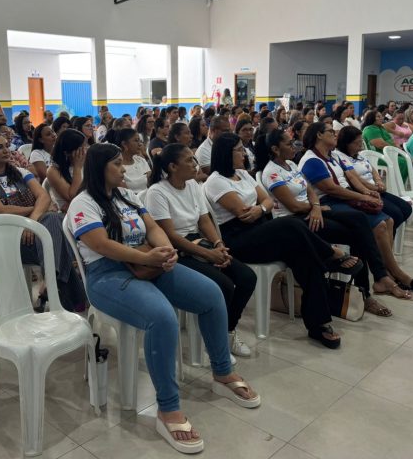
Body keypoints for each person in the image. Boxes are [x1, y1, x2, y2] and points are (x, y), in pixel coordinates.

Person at [68, 143, 260, 453]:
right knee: (162, 317)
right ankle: (167, 408)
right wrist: (148, 258)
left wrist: (166, 251)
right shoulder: (83, 203)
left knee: (212, 294)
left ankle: (222, 373)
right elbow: (101, 245)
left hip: (147, 261)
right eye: (116, 164)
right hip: (108, 276)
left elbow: (154, 227)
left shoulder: (127, 196)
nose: (123, 169)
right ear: (99, 168)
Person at [205, 133, 365, 348]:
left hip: (259, 229)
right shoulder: (216, 181)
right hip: (238, 239)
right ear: (226, 154)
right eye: (239, 150)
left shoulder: (242, 175)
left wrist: (260, 208)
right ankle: (330, 253)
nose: (244, 154)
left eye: (243, 149)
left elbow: (267, 201)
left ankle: (319, 324)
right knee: (291, 223)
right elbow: (242, 212)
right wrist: (261, 208)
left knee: (306, 257)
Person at [254, 130, 404, 316]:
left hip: (313, 211)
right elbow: (292, 206)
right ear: (276, 149)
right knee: (356, 232)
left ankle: (374, 281)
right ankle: (365, 284)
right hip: (294, 222)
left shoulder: (291, 164)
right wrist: (313, 208)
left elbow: (308, 189)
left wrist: (315, 206)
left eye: (294, 142)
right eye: (289, 144)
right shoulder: (271, 172)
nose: (294, 146)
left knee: (358, 221)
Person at [147, 144, 257, 356]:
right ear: (172, 166)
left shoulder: (193, 186)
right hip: (177, 251)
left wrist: (218, 245)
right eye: (189, 160)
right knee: (224, 285)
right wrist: (207, 254)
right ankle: (216, 343)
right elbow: (170, 236)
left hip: (200, 242)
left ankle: (227, 331)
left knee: (246, 277)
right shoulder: (157, 192)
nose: (195, 164)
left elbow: (204, 221)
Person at [299, 122, 413, 295]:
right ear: (319, 135)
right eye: (330, 132)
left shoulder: (331, 155)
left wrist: (368, 191)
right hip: (329, 201)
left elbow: (350, 175)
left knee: (388, 220)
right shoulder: (312, 159)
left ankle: (387, 272)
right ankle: (389, 275)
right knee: (375, 225)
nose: (335, 134)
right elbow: (331, 189)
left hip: (344, 196)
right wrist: (363, 196)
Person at [0, 132, 84, 311]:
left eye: (7, 145)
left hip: (34, 238)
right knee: (56, 227)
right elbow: (1, 210)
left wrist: (33, 222)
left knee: (55, 221)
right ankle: (59, 292)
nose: (6, 150)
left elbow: (44, 196)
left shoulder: (21, 173)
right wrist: (35, 212)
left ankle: (53, 286)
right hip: (4, 242)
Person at [336, 127, 413, 238]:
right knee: (395, 214)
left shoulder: (358, 154)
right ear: (346, 143)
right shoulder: (340, 156)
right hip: (364, 191)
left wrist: (379, 181)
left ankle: (384, 239)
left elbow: (372, 169)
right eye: (356, 143)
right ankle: (381, 242)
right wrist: (374, 188)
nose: (360, 145)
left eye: (361, 141)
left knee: (406, 208)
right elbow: (354, 178)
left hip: (376, 189)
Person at [46, 129, 87, 212]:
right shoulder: (53, 171)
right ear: (67, 153)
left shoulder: (86, 162)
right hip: (70, 214)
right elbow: (73, 196)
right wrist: (77, 168)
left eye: (85, 146)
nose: (85, 151)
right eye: (81, 148)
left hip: (85, 206)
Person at [113, 128, 150, 192]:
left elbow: (150, 183)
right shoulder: (116, 166)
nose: (140, 144)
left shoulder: (141, 160)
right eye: (136, 141)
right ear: (124, 144)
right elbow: (125, 193)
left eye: (140, 141)